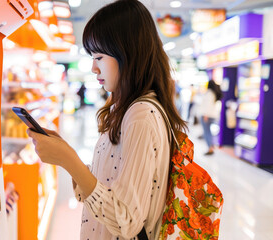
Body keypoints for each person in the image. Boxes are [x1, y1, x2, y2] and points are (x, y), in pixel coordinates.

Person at [26, 0, 187, 239]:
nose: (93, 67)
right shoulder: (125, 109)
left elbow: (126, 221)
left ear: (128, 54)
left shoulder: (140, 115)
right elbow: (107, 183)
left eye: (99, 57)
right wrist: (66, 153)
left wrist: (69, 161)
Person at [199, 79, 222, 155]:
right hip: (212, 116)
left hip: (206, 116)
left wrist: (205, 115)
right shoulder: (214, 93)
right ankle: (211, 147)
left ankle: (210, 148)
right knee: (209, 132)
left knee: (207, 132)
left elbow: (207, 105)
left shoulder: (209, 93)